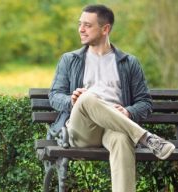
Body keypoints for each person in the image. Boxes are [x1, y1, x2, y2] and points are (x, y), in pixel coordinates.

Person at [48, 4, 175, 192]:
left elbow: (145, 103)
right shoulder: (70, 59)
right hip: (83, 129)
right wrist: (71, 101)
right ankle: (146, 138)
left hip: (114, 127)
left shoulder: (129, 63)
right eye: (80, 24)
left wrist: (128, 111)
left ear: (105, 29)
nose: (80, 29)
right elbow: (54, 96)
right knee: (86, 97)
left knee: (123, 139)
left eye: (87, 25)